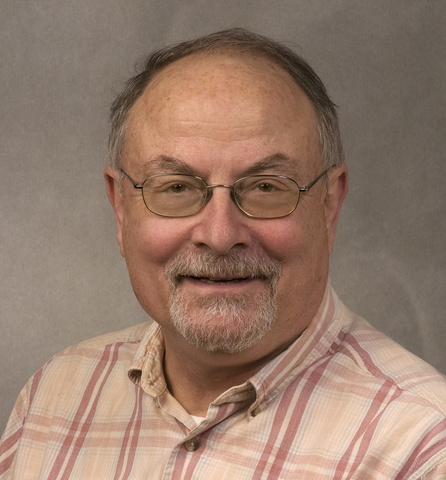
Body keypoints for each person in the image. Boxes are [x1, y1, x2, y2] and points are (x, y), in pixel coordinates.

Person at [1, 28, 445, 479]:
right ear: (120, 208)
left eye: (266, 187)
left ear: (329, 205)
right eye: (176, 188)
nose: (219, 235)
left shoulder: (424, 447)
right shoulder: (52, 400)